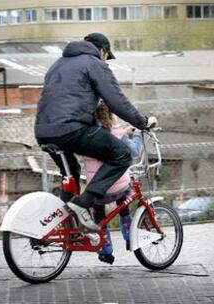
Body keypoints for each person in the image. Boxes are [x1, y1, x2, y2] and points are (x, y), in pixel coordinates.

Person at [34, 33, 157, 232]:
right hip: (73, 129)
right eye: (106, 56)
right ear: (102, 51)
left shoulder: (57, 64)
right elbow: (116, 101)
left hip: (44, 131)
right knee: (121, 154)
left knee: (70, 175)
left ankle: (63, 227)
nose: (105, 60)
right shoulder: (94, 64)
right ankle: (83, 204)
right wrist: (142, 122)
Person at [83, 102, 143, 264]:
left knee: (98, 211)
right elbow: (134, 152)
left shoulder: (86, 135)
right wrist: (136, 134)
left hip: (98, 190)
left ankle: (105, 249)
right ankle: (130, 236)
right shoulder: (118, 133)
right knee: (124, 198)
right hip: (119, 187)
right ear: (111, 115)